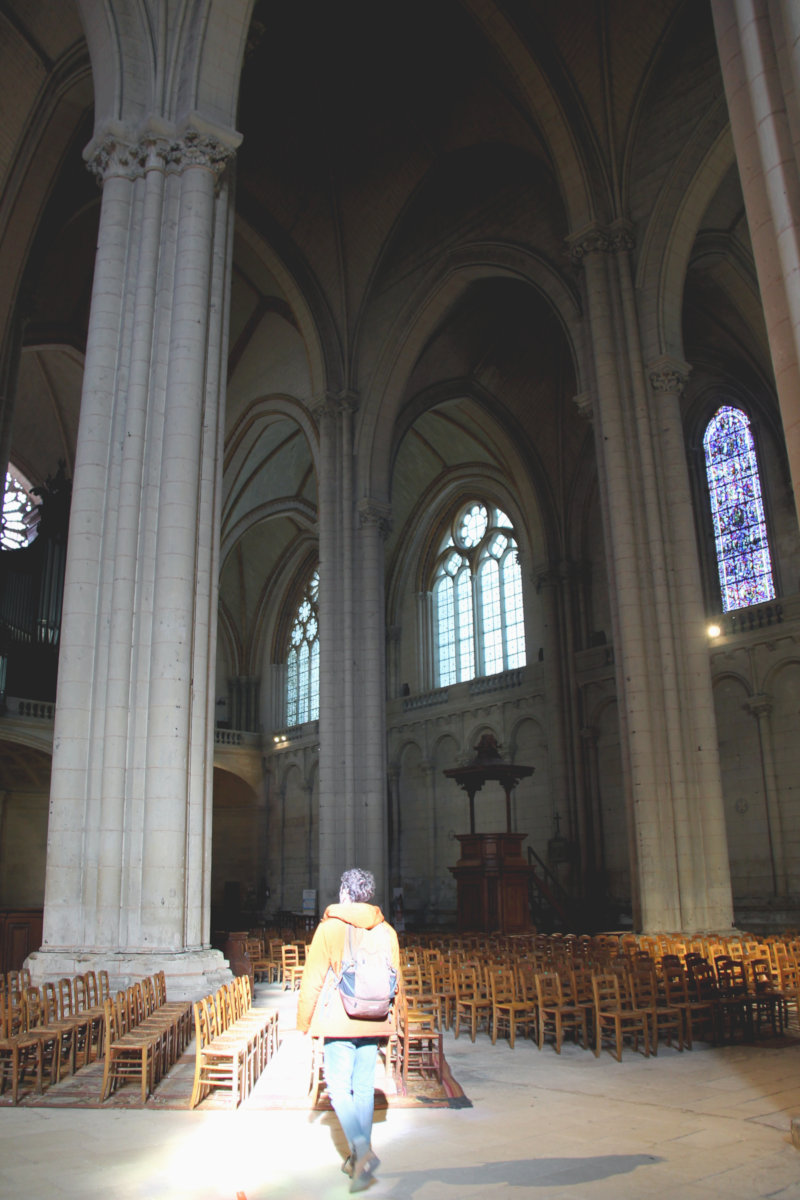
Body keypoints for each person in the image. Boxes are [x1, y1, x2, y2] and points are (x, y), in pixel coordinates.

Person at [296, 867, 401, 1193]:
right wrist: (397, 1023)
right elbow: (397, 980)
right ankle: (360, 1159)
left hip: (340, 1018)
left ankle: (359, 1145)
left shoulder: (330, 928)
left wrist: (303, 1021)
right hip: (373, 1017)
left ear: (344, 892)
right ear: (368, 894)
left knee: (339, 1086)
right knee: (364, 1086)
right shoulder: (387, 931)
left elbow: (313, 978)